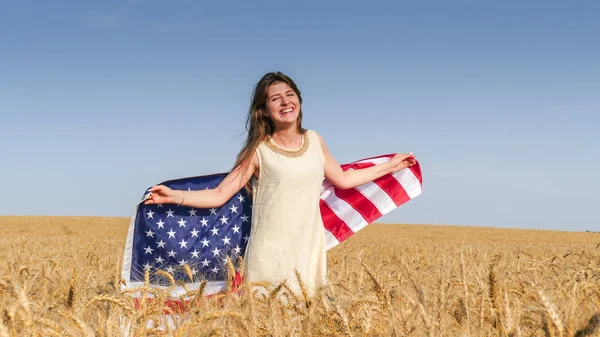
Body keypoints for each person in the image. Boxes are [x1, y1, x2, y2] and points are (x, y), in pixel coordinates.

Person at [143, 71, 417, 298]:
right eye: (276, 99)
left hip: (309, 249)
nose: (285, 102)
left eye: (290, 95)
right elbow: (220, 194)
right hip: (268, 253)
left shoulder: (315, 140)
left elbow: (344, 180)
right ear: (265, 111)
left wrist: (390, 166)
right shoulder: (259, 150)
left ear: (299, 100)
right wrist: (173, 196)